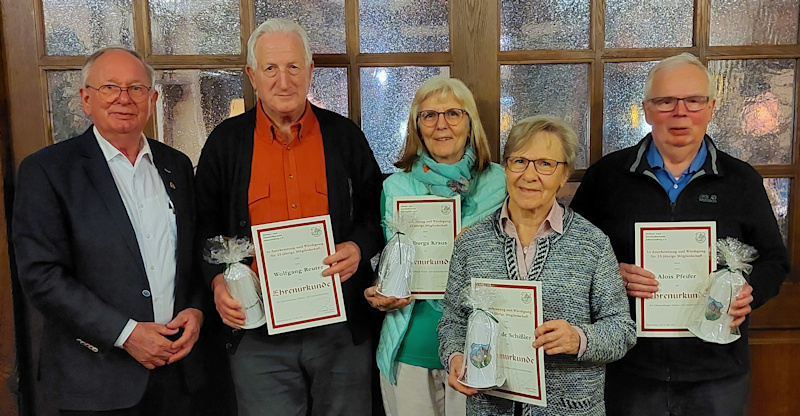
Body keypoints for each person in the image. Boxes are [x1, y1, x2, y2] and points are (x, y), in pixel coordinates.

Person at [570, 52, 790, 415]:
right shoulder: (607, 177)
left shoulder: (741, 180)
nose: (680, 112)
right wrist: (612, 277)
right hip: (629, 368)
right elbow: (571, 256)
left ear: (711, 107)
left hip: (718, 374)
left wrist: (750, 293)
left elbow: (774, 260)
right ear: (646, 109)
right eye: (665, 101)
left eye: (693, 100)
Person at [194, 18, 383, 416]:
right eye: (270, 68)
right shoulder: (225, 144)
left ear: (310, 70)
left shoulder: (345, 137)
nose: (284, 80)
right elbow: (203, 229)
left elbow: (375, 214)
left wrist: (358, 247)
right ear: (252, 75)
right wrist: (216, 285)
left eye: (294, 67)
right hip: (258, 333)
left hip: (339, 331)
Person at [13, 47, 203, 415]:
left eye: (135, 88)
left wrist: (196, 311)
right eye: (110, 87)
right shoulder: (48, 170)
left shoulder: (176, 166)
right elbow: (41, 274)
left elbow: (191, 254)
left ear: (152, 98)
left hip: (177, 374)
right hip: (95, 380)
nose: (123, 98)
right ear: (86, 99)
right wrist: (126, 333)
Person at [437, 115, 636, 415]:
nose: (529, 175)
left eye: (545, 164)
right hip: (489, 407)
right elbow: (452, 321)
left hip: (570, 409)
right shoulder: (471, 244)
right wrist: (454, 357)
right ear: (506, 168)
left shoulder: (593, 244)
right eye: (519, 161)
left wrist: (579, 338)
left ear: (564, 174)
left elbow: (622, 331)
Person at [364, 75, 506, 416]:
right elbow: (388, 262)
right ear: (417, 126)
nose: (441, 124)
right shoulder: (395, 187)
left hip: (479, 349)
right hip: (410, 348)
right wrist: (377, 291)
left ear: (470, 123)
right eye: (429, 115)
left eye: (453, 114)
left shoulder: (502, 182)